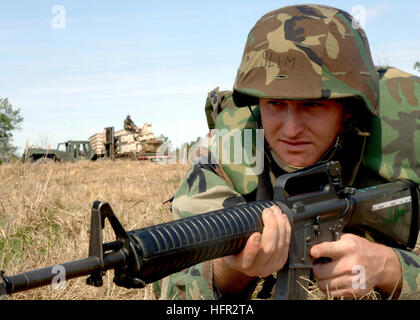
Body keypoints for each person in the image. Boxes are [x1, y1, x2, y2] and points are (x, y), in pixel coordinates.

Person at [153, 4, 420, 300]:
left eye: (312, 105)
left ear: (348, 109)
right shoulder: (233, 147)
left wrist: (389, 268)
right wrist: (232, 271)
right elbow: (171, 287)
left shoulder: (407, 134)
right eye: (276, 104)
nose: (291, 130)